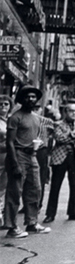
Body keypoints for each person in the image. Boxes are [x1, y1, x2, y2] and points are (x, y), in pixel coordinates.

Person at [4, 85, 51, 238]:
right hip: (18, 155)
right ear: (21, 98)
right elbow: (10, 142)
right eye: (27, 96)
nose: (30, 99)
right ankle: (11, 227)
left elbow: (36, 135)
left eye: (33, 97)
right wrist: (15, 163)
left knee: (35, 189)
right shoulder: (15, 117)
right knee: (14, 192)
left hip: (32, 155)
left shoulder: (36, 118)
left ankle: (32, 223)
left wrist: (38, 145)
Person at [43, 103, 75, 223]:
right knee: (55, 187)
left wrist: (69, 134)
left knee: (74, 186)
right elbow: (59, 138)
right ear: (65, 112)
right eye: (71, 111)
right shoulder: (57, 124)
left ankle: (73, 212)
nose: (74, 113)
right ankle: (50, 214)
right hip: (60, 158)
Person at [0, 94, 13, 228]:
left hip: (9, 157)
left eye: (6, 104)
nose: (3, 106)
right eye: (1, 104)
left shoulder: (10, 120)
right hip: (0, 155)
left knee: (4, 187)